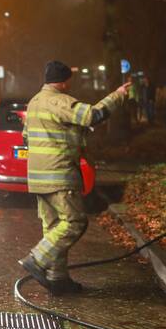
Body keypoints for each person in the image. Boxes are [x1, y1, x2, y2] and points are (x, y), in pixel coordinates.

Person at [19, 61, 132, 294]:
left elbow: (27, 138)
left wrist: (71, 133)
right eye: (69, 80)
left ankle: (58, 279)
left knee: (53, 228)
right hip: (58, 175)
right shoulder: (60, 101)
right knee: (74, 222)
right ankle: (37, 259)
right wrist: (118, 95)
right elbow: (93, 115)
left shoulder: (34, 103)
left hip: (38, 178)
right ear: (63, 81)